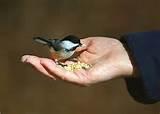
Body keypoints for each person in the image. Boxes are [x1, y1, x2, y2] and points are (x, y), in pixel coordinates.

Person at [21, 31, 160, 104]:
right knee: (56, 58)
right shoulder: (61, 47)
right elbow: (54, 48)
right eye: (77, 43)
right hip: (55, 49)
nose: (79, 45)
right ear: (69, 44)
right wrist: (56, 59)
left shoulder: (71, 50)